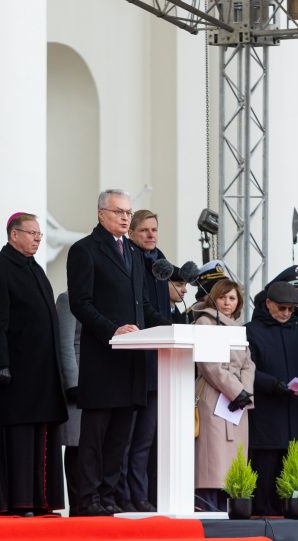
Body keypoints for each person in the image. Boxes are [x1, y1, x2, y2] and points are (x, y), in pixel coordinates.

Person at [67, 189, 170, 516]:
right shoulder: (84, 250)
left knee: (121, 437)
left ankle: (109, 495)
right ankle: (88, 498)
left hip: (133, 362)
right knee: (96, 435)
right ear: (101, 214)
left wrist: (170, 328)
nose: (126, 217)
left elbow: (143, 308)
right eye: (119, 212)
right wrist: (112, 329)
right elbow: (80, 303)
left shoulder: (134, 254)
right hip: (103, 360)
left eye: (128, 212)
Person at [0, 213, 67, 515]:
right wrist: (0, 363)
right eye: (32, 234)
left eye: (39, 235)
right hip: (16, 372)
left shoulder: (35, 270)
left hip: (42, 373)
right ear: (14, 235)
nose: (37, 239)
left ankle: (40, 499)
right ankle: (17, 501)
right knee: (18, 439)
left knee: (41, 436)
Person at [116, 209, 171, 512]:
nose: (151, 235)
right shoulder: (131, 259)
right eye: (144, 230)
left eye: (155, 229)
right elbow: (144, 306)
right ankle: (124, 494)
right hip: (137, 356)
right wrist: (167, 326)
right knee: (128, 437)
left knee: (146, 440)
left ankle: (141, 495)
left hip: (159, 359)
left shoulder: (159, 261)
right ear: (132, 234)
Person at [246, 281, 298, 516]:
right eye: (281, 308)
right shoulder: (251, 330)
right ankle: (264, 515)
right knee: (266, 466)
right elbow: (247, 369)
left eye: (291, 309)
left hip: (295, 408)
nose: (286, 314)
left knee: (293, 469)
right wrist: (273, 385)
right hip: (267, 412)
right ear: (268, 304)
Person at [191, 278, 255, 512]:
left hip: (236, 399)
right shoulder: (205, 322)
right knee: (213, 456)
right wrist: (235, 391)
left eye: (232, 298)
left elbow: (249, 365)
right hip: (213, 395)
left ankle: (228, 508)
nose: (227, 302)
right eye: (222, 297)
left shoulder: (238, 326)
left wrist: (244, 393)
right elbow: (209, 365)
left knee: (232, 459)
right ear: (213, 298)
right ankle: (207, 506)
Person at [56, 290, 83, 515]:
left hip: (98, 385)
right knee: (76, 443)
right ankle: (77, 505)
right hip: (77, 384)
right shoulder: (67, 299)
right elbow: (65, 344)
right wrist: (72, 384)